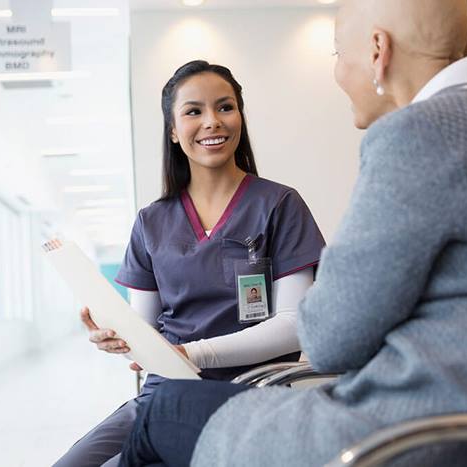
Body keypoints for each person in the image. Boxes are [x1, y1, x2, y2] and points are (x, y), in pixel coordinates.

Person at [117, 0, 467, 466]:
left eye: (339, 54)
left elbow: (329, 338)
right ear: (174, 132)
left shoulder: (416, 136)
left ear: (378, 50)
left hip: (417, 424)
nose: (339, 73)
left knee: (162, 412)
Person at [53, 60, 326, 467]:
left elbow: (292, 326)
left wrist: (191, 353)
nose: (212, 122)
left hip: (246, 396)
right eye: (194, 111)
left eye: (225, 107)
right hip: (164, 393)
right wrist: (118, 336)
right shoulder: (151, 221)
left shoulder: (279, 205)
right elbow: (144, 329)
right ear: (173, 131)